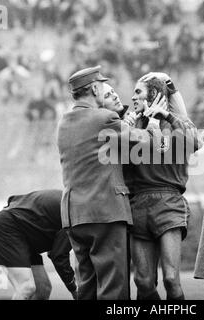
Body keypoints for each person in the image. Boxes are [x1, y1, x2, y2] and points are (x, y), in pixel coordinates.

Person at [56, 66, 167, 300]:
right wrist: (154, 124)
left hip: (75, 215)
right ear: (95, 88)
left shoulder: (64, 122)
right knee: (113, 289)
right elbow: (147, 146)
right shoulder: (104, 117)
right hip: (105, 212)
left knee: (87, 287)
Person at [125, 72, 199, 300]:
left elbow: (194, 141)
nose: (133, 97)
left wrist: (166, 110)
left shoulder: (174, 123)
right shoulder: (129, 123)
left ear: (154, 96)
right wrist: (124, 128)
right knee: (143, 282)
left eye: (138, 92)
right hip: (138, 204)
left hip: (169, 203)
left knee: (170, 279)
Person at [0, 190, 78, 300]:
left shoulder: (76, 203)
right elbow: (58, 255)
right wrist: (74, 289)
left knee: (43, 290)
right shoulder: (75, 213)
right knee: (26, 288)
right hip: (6, 229)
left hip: (24, 236)